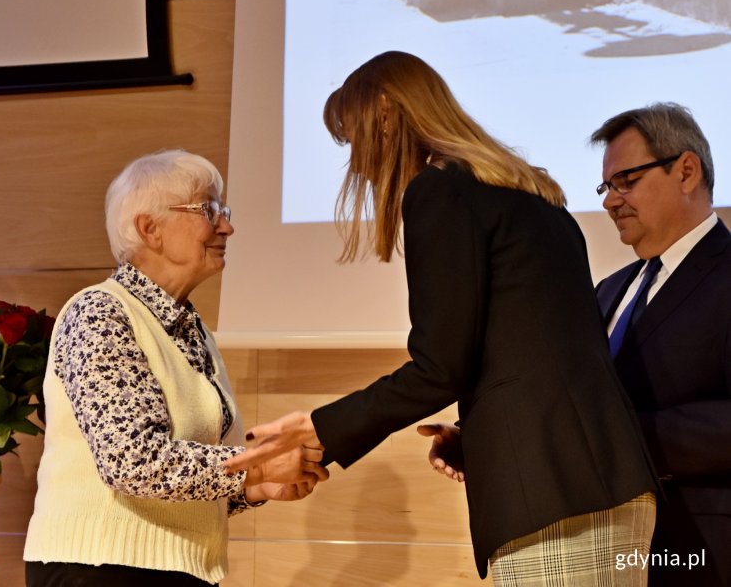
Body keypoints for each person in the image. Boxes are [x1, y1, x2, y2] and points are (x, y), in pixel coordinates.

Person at [224, 51, 658, 584]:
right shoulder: (531, 195)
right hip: (607, 483)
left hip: (553, 496)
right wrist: (479, 433)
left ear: (386, 113)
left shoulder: (440, 190)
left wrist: (320, 429)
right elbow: (534, 353)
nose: (357, 162)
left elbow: (439, 366)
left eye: (355, 137)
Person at [23, 150, 326, 587]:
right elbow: (133, 461)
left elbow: (184, 479)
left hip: (173, 570)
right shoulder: (99, 312)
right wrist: (254, 468)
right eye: (209, 210)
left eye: (224, 210)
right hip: (97, 569)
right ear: (150, 229)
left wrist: (254, 488)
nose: (227, 226)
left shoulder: (193, 329)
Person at [590, 103, 731, 586]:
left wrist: (618, 439)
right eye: (606, 186)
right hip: (610, 554)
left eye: (625, 180)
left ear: (686, 171)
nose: (611, 201)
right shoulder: (608, 290)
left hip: (705, 553)